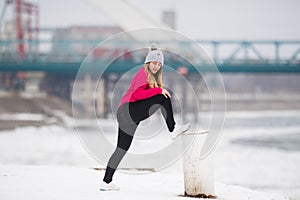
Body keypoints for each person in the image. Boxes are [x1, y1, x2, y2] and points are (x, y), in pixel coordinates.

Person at [100, 44, 190, 191]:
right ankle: (172, 129)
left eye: (159, 64)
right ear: (148, 63)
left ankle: (106, 182)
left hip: (127, 115)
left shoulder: (152, 77)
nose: (156, 66)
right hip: (127, 110)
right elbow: (137, 94)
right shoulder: (143, 73)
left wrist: (157, 89)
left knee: (121, 149)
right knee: (163, 97)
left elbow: (146, 95)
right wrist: (158, 90)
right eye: (154, 63)